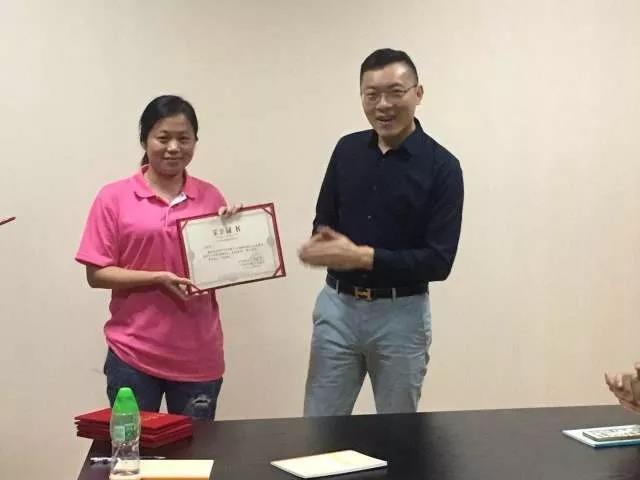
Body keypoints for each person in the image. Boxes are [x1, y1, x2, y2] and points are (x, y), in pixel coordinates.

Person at [299, 48, 464, 416]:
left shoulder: (443, 167)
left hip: (401, 315)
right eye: (371, 95)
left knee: (397, 431)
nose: (383, 105)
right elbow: (323, 222)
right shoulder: (347, 150)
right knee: (319, 426)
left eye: (395, 92)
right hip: (337, 309)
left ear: (418, 93)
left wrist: (362, 257)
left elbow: (438, 262)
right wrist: (319, 246)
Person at [76, 95, 240, 419]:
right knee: (131, 447)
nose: (174, 148)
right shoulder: (114, 197)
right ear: (145, 140)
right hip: (132, 353)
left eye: (184, 139)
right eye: (163, 138)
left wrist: (238, 230)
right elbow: (96, 274)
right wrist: (156, 278)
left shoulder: (210, 197)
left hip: (198, 355)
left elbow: (226, 266)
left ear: (195, 141)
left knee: (194, 449)